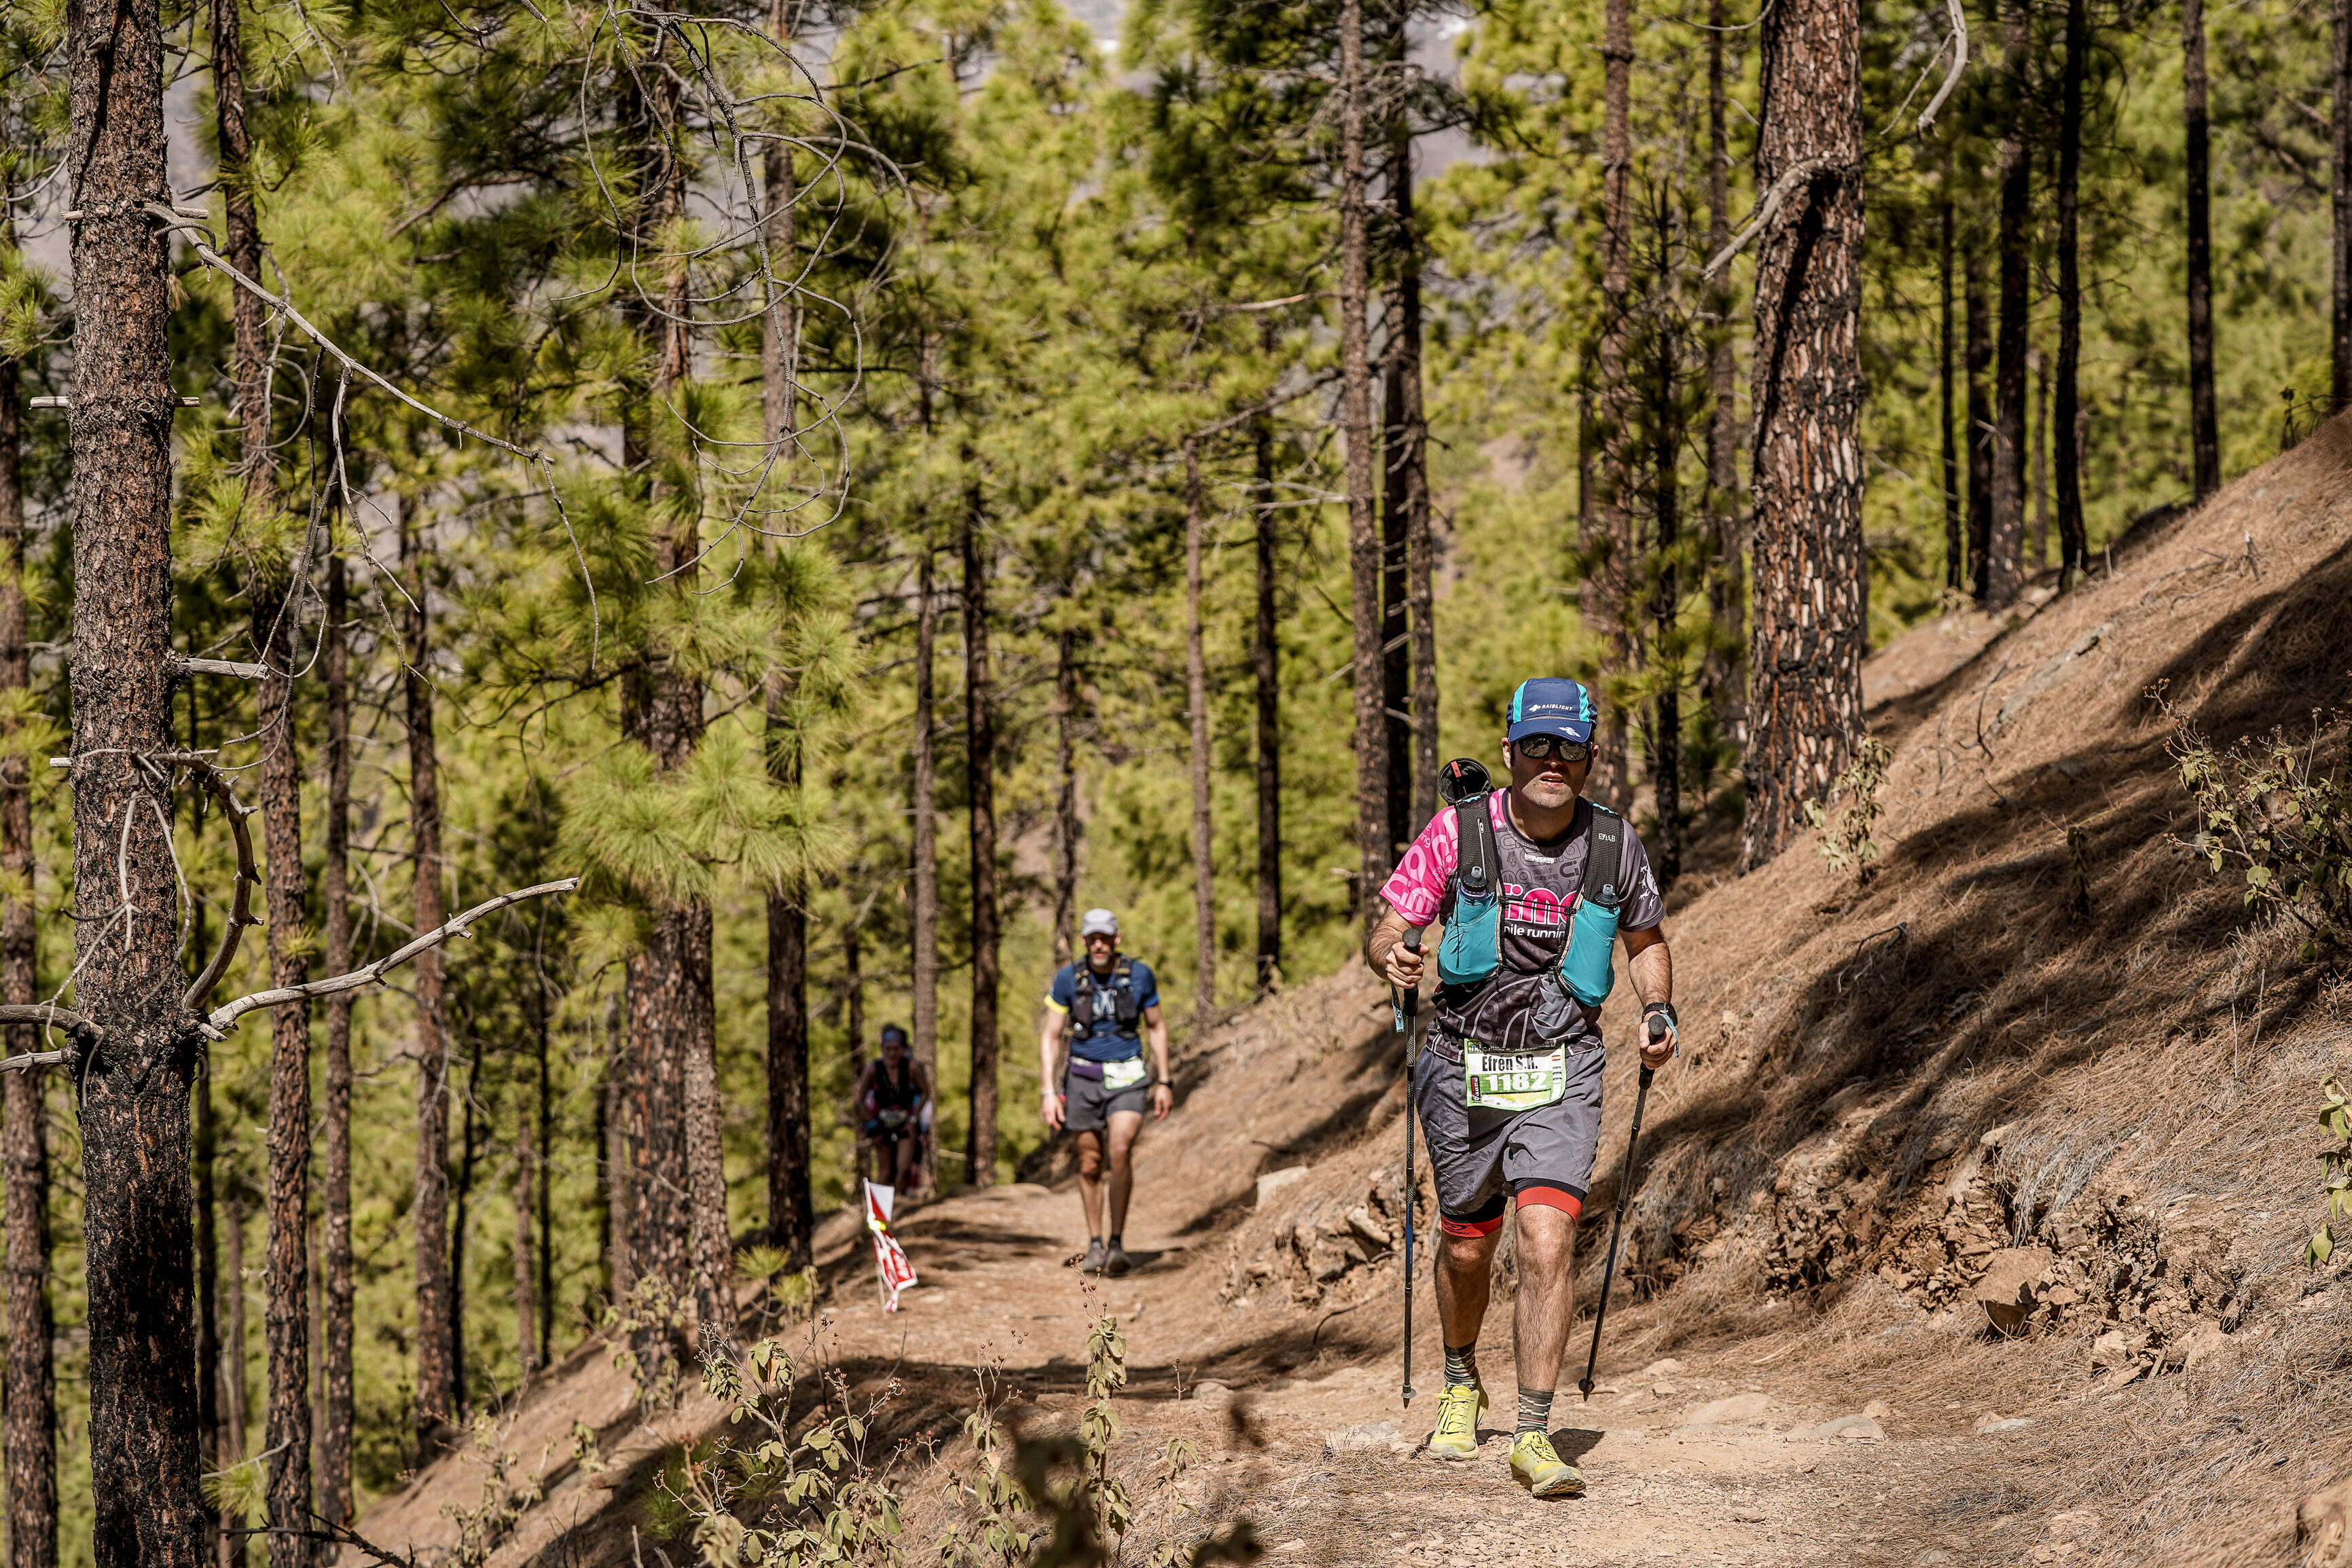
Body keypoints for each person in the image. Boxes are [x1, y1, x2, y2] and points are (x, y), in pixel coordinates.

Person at [1365, 676, 1679, 1500]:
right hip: (1462, 1062)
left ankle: (1533, 1433)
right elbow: (1390, 925)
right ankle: (1460, 1378)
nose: (1552, 759)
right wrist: (1393, 954)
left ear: (1589, 756)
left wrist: (1657, 1006)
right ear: (1508, 749)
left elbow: (1645, 939)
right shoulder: (1458, 830)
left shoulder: (1613, 843)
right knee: (1468, 1244)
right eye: (1537, 743)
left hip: (1564, 1065)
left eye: (1568, 746)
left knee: (1546, 1237)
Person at [1039, 909, 1174, 1276]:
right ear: (1084, 941)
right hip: (1082, 1079)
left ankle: (1117, 1242)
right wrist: (1048, 1091)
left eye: (1105, 937)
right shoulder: (1068, 979)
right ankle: (1095, 1242)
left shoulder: (1140, 976)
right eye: (1092, 938)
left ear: (1117, 939)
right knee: (1089, 1163)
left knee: (1119, 1150)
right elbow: (1051, 1035)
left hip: (1128, 1077)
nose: (1098, 944)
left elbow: (1157, 1027)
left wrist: (1164, 1081)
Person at [854, 1025, 931, 1193]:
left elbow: (925, 1092)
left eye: (896, 1049)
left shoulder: (912, 1068)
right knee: (885, 1171)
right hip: (881, 1124)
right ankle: (879, 1208)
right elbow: (860, 1098)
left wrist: (914, 1118)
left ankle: (897, 1202)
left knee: (904, 1168)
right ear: (882, 1049)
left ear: (903, 1049)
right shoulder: (873, 1069)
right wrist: (871, 1122)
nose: (892, 1053)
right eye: (888, 1049)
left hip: (905, 1124)